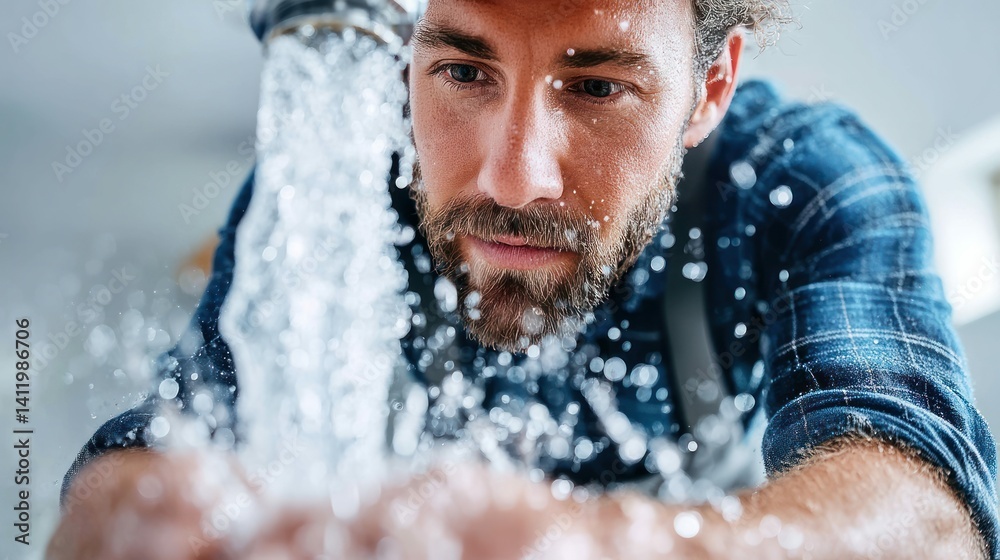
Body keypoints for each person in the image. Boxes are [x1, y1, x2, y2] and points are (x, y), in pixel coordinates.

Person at [48, 1, 998, 558]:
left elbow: (923, 514)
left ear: (710, 87)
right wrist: (123, 510)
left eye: (597, 88)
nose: (514, 177)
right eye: (463, 73)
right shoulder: (337, 171)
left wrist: (594, 544)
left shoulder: (808, 182)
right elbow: (166, 440)